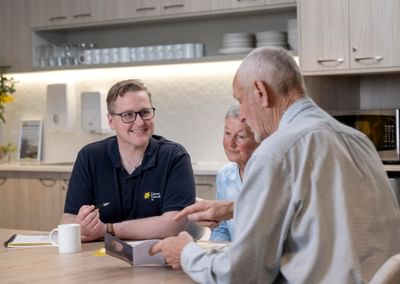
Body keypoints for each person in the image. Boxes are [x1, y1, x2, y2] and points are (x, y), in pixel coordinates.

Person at [150, 47, 400, 283]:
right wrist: (237, 207)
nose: (243, 115)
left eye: (241, 100)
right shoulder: (357, 140)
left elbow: (241, 275)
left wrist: (185, 253)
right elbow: (325, 211)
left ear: (260, 91)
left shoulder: (276, 151)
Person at [61, 79, 196, 242]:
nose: (139, 122)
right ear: (111, 121)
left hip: (157, 257)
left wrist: (108, 229)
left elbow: (174, 224)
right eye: (128, 115)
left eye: (145, 112)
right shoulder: (90, 157)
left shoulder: (174, 157)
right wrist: (81, 224)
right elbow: (68, 220)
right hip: (99, 258)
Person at [210, 105, 258, 241]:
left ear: (259, 139)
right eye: (227, 133)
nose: (230, 143)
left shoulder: (269, 175)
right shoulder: (224, 174)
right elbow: (221, 228)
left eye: (241, 137)